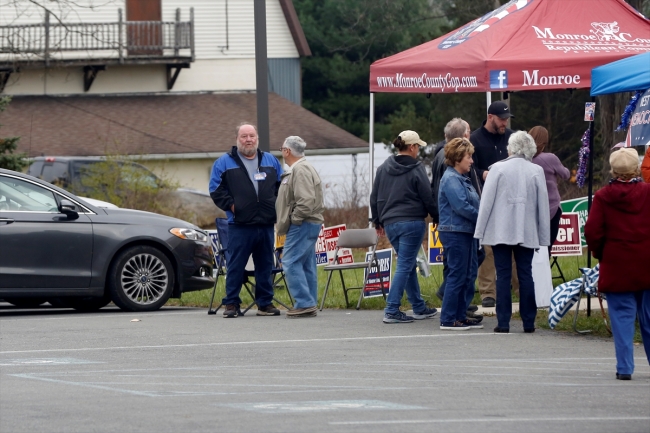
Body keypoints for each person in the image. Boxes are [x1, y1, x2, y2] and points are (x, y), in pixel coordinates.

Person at [474, 131, 550, 333]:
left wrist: (479, 233)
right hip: (527, 231)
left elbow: (486, 203)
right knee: (526, 274)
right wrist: (544, 237)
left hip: (500, 231)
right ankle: (528, 321)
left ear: (511, 147)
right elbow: (543, 206)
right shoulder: (536, 171)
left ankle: (504, 322)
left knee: (503, 274)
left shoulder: (497, 169)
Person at [584, 148, 650, 380]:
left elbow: (592, 231)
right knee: (649, 317)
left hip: (617, 264)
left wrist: (601, 252)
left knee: (621, 317)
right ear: (636, 168)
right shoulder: (648, 192)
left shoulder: (602, 196)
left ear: (613, 170)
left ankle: (625, 367)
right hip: (647, 263)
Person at [209, 123, 283, 318]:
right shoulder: (223, 162)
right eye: (244, 136)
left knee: (265, 265)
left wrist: (273, 206)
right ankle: (231, 304)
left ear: (257, 138)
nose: (248, 139)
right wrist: (234, 207)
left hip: (266, 224)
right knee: (235, 265)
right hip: (239, 225)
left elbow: (281, 187)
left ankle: (265, 304)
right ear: (237, 139)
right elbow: (215, 190)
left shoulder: (271, 161)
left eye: (251, 135)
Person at [370, 130, 438, 324]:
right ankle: (391, 309)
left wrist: (377, 221)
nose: (418, 151)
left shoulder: (383, 168)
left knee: (407, 264)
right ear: (412, 147)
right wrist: (436, 215)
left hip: (390, 223)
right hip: (412, 222)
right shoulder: (416, 168)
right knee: (405, 265)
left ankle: (418, 306)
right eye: (418, 147)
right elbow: (427, 195)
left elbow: (374, 196)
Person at [430, 118, 482, 319]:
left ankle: (460, 315)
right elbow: (461, 206)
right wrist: (483, 217)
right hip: (456, 232)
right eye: (468, 157)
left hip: (465, 231)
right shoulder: (451, 178)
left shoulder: (461, 178)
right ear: (458, 158)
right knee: (457, 275)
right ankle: (449, 317)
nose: (471, 161)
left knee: (466, 275)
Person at [471, 101, 518, 308]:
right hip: (487, 199)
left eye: (507, 119)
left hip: (511, 200)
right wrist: (482, 173)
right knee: (488, 248)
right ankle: (488, 292)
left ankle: (519, 288)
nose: (504, 123)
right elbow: (469, 167)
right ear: (490, 117)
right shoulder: (475, 139)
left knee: (517, 244)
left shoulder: (511, 137)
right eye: (501, 119)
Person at [275, 136, 324, 319]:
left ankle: (304, 303)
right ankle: (309, 301)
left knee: (290, 261)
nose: (281, 152)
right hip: (309, 222)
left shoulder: (300, 170)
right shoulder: (304, 168)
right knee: (306, 263)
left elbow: (305, 201)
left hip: (303, 223)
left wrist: (294, 220)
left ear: (287, 151)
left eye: (282, 149)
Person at [530, 126, 570, 255]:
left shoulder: (524, 159)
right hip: (551, 208)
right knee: (546, 249)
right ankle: (544, 273)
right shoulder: (550, 158)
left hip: (530, 210)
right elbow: (565, 175)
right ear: (544, 142)